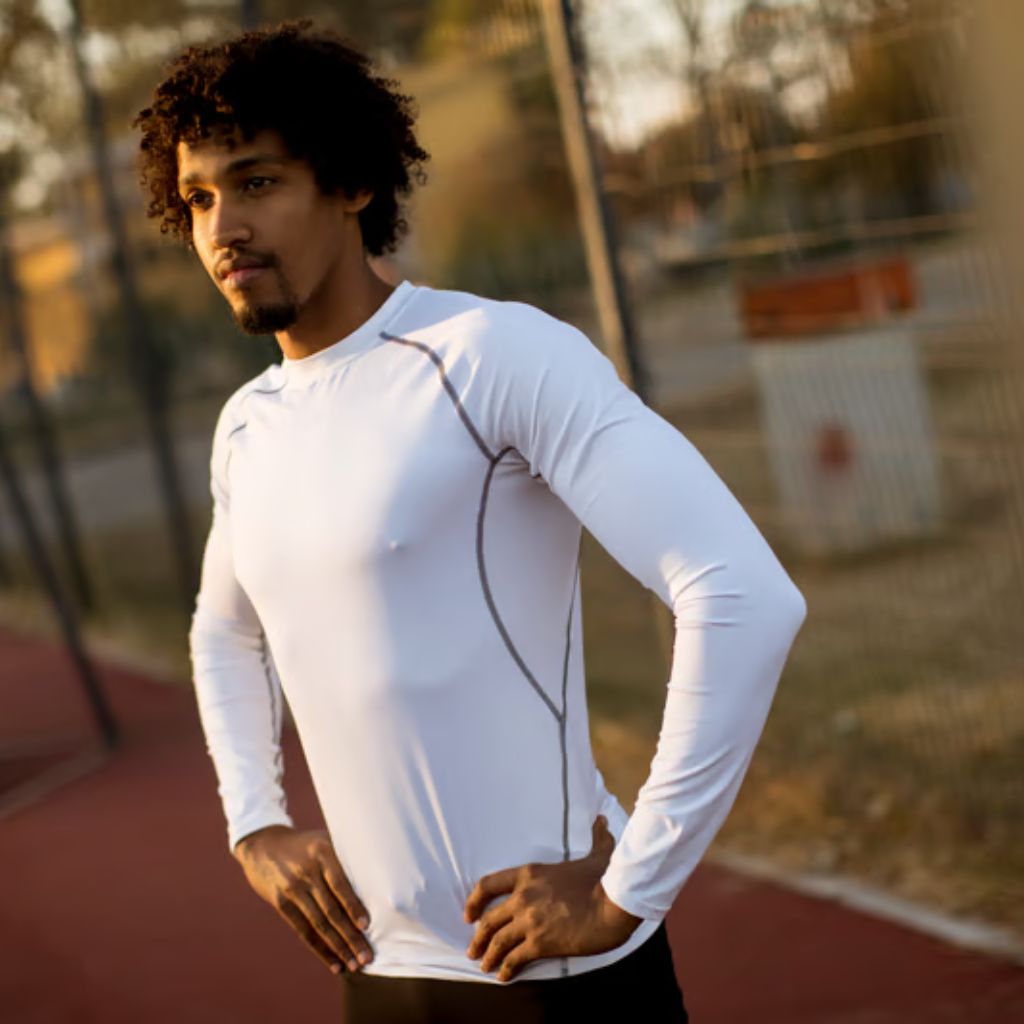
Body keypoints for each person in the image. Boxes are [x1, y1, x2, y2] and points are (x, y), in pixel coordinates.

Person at [133, 18, 807, 1023]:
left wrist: (630, 887)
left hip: (547, 979)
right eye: (197, 198)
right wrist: (254, 824)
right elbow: (224, 631)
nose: (222, 226)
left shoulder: (491, 354)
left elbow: (742, 593)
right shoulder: (247, 424)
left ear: (352, 182)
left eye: (257, 181)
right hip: (376, 972)